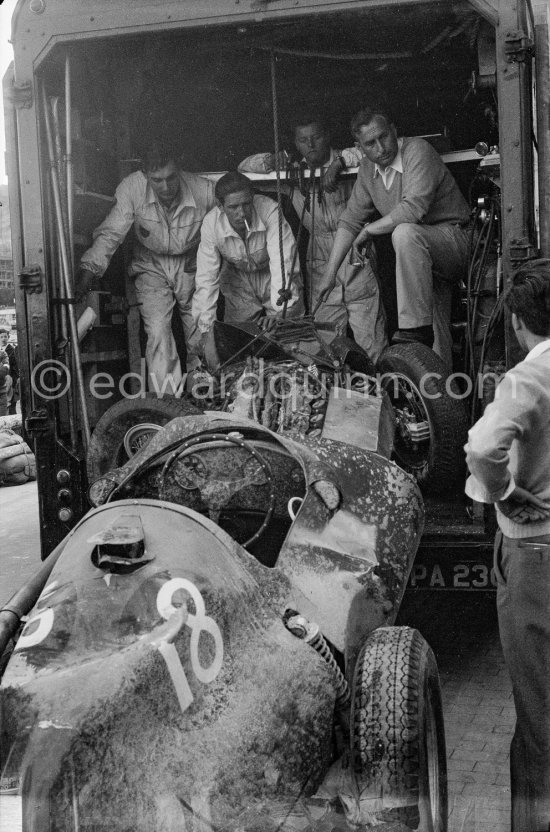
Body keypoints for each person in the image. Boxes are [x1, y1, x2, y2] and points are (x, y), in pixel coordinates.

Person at [464, 258, 550, 832]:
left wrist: (507, 491)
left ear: (519, 320)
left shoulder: (527, 378)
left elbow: (480, 447)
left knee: (540, 713)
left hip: (535, 554)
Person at [318, 106, 470, 369]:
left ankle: (413, 331)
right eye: (370, 143)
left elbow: (413, 210)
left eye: (384, 137)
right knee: (436, 345)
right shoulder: (368, 169)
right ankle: (440, 397)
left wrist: (369, 230)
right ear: (360, 147)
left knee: (405, 232)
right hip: (420, 257)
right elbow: (350, 219)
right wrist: (330, 274)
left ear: (394, 131)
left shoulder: (417, 151)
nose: (381, 147)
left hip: (454, 241)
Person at [238, 117, 387, 363]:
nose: (310, 144)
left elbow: (367, 151)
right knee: (324, 337)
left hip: (355, 250)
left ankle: (379, 392)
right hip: (317, 253)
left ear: (327, 135)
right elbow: (243, 167)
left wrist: (339, 164)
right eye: (302, 140)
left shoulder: (347, 158)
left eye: (316, 137)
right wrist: (271, 161)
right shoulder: (295, 171)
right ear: (295, 143)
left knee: (370, 335)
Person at [78, 137, 216, 392]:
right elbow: (111, 234)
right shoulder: (131, 188)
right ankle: (167, 401)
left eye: (171, 178)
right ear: (145, 175)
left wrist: (205, 263)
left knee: (200, 327)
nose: (166, 187)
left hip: (191, 262)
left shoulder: (204, 191)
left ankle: (204, 393)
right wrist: (89, 269)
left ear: (180, 171)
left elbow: (222, 233)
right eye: (157, 180)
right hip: (150, 263)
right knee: (158, 332)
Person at [189, 171, 303, 355]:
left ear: (253, 198)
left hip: (272, 275)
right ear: (220, 205)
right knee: (239, 346)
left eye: (246, 204)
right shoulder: (211, 224)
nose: (241, 213)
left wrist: (281, 314)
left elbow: (283, 261)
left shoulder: (271, 210)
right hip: (238, 281)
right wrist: (206, 330)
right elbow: (206, 279)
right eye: (233, 207)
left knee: (290, 342)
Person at [0, 329, 19, 415]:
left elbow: (15, 367)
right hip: (2, 380)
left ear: (8, 337)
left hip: (10, 379)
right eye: (1, 337)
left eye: (5, 336)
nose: (3, 339)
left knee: (10, 404)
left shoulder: (12, 350)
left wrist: (14, 382)